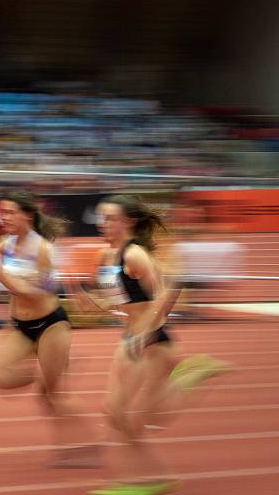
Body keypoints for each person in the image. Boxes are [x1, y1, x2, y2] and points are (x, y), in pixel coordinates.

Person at [75, 195, 229, 495]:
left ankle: (192, 376)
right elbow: (122, 300)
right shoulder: (106, 256)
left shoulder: (134, 255)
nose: (102, 224)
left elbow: (167, 290)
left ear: (128, 221)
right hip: (130, 338)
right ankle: (150, 479)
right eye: (100, 218)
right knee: (114, 413)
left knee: (137, 419)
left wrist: (146, 332)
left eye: (110, 218)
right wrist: (92, 303)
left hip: (152, 340)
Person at [0, 190, 100, 467]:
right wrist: (10, 324)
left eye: (9, 212)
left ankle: (87, 446)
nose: (2, 217)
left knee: (53, 397)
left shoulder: (43, 249)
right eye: (1, 212)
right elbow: (14, 295)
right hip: (22, 326)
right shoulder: (3, 245)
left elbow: (33, 294)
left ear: (27, 215)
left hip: (50, 326)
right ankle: (48, 373)